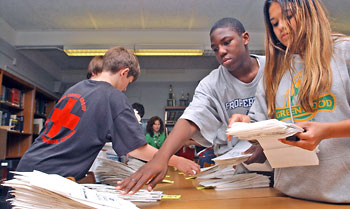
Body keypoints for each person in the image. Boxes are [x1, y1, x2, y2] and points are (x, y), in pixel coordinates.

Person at [116, 17, 267, 195]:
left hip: (283, 168)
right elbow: (190, 120)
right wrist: (161, 158)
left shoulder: (275, 68)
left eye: (227, 42)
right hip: (241, 173)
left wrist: (266, 146)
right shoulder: (211, 83)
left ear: (246, 38)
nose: (222, 51)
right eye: (215, 48)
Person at [16, 46, 199, 181]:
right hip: (50, 179)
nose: (126, 88)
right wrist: (176, 161)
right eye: (129, 81)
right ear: (124, 72)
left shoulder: (76, 88)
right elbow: (136, 148)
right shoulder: (113, 97)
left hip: (28, 166)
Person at [228, 0, 350, 203]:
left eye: (289, 16)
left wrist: (327, 131)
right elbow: (261, 133)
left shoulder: (344, 52)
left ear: (310, 12)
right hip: (288, 195)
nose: (281, 27)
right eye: (275, 23)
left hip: (342, 196)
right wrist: (247, 126)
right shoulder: (274, 70)